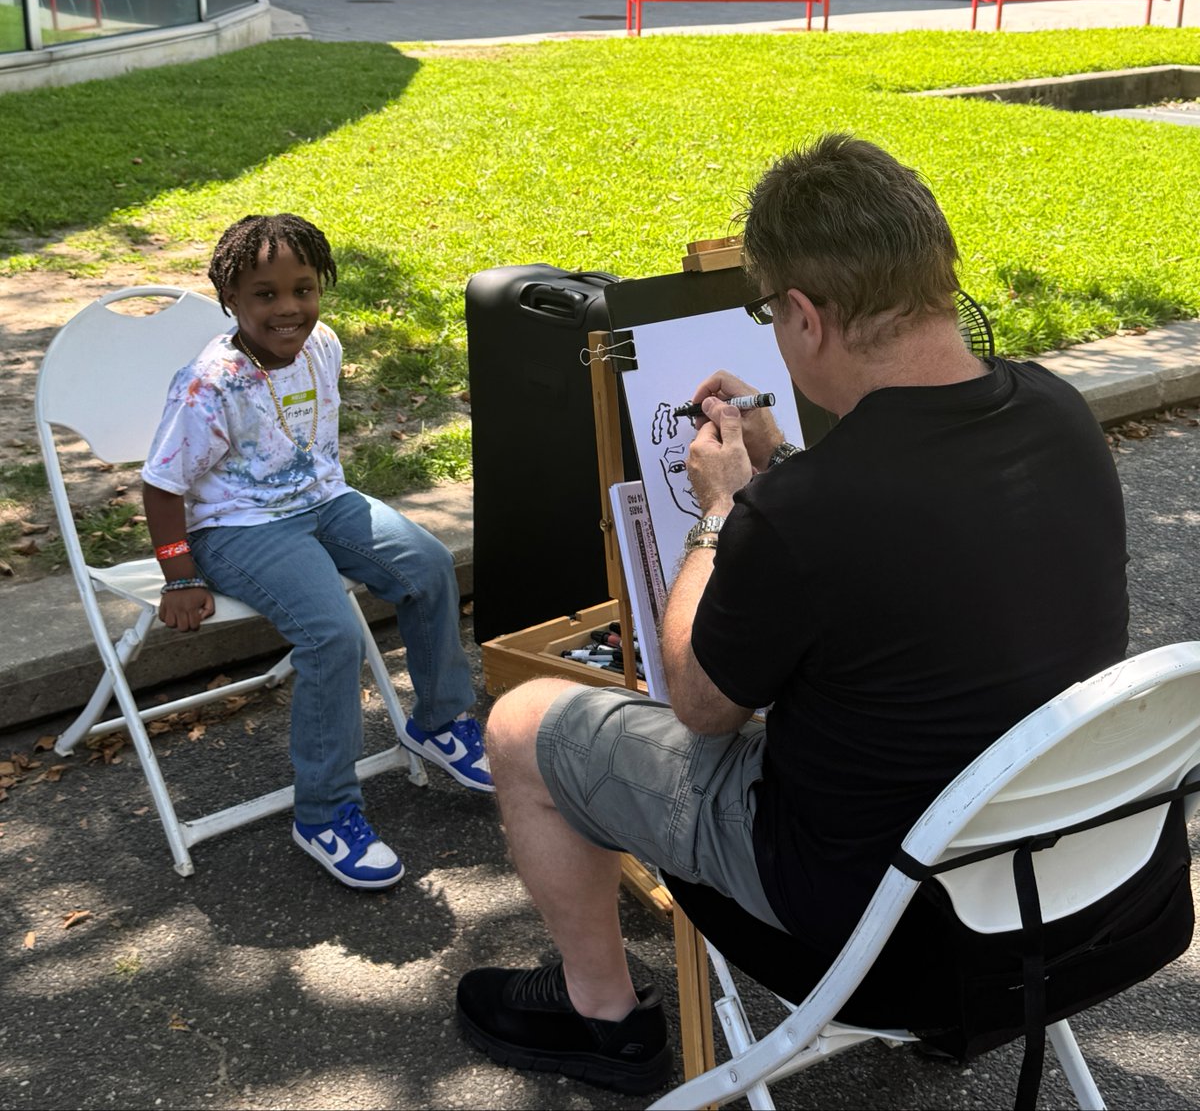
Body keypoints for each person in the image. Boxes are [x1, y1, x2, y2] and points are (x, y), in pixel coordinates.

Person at [455, 134, 1128, 1094]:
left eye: (769, 311)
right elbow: (916, 541)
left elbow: (698, 704)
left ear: (805, 316)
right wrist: (786, 476)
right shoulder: (1057, 411)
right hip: (1074, 888)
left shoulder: (803, 514)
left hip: (885, 938)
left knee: (524, 724)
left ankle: (600, 1014)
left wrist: (723, 511)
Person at [142, 213, 492, 892]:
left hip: (324, 502)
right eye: (265, 295)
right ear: (231, 299)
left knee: (426, 565)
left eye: (302, 289)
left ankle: (440, 721)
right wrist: (178, 574)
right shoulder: (210, 383)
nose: (288, 308)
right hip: (239, 528)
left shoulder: (321, 344)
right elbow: (161, 485)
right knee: (331, 634)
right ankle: (325, 814)